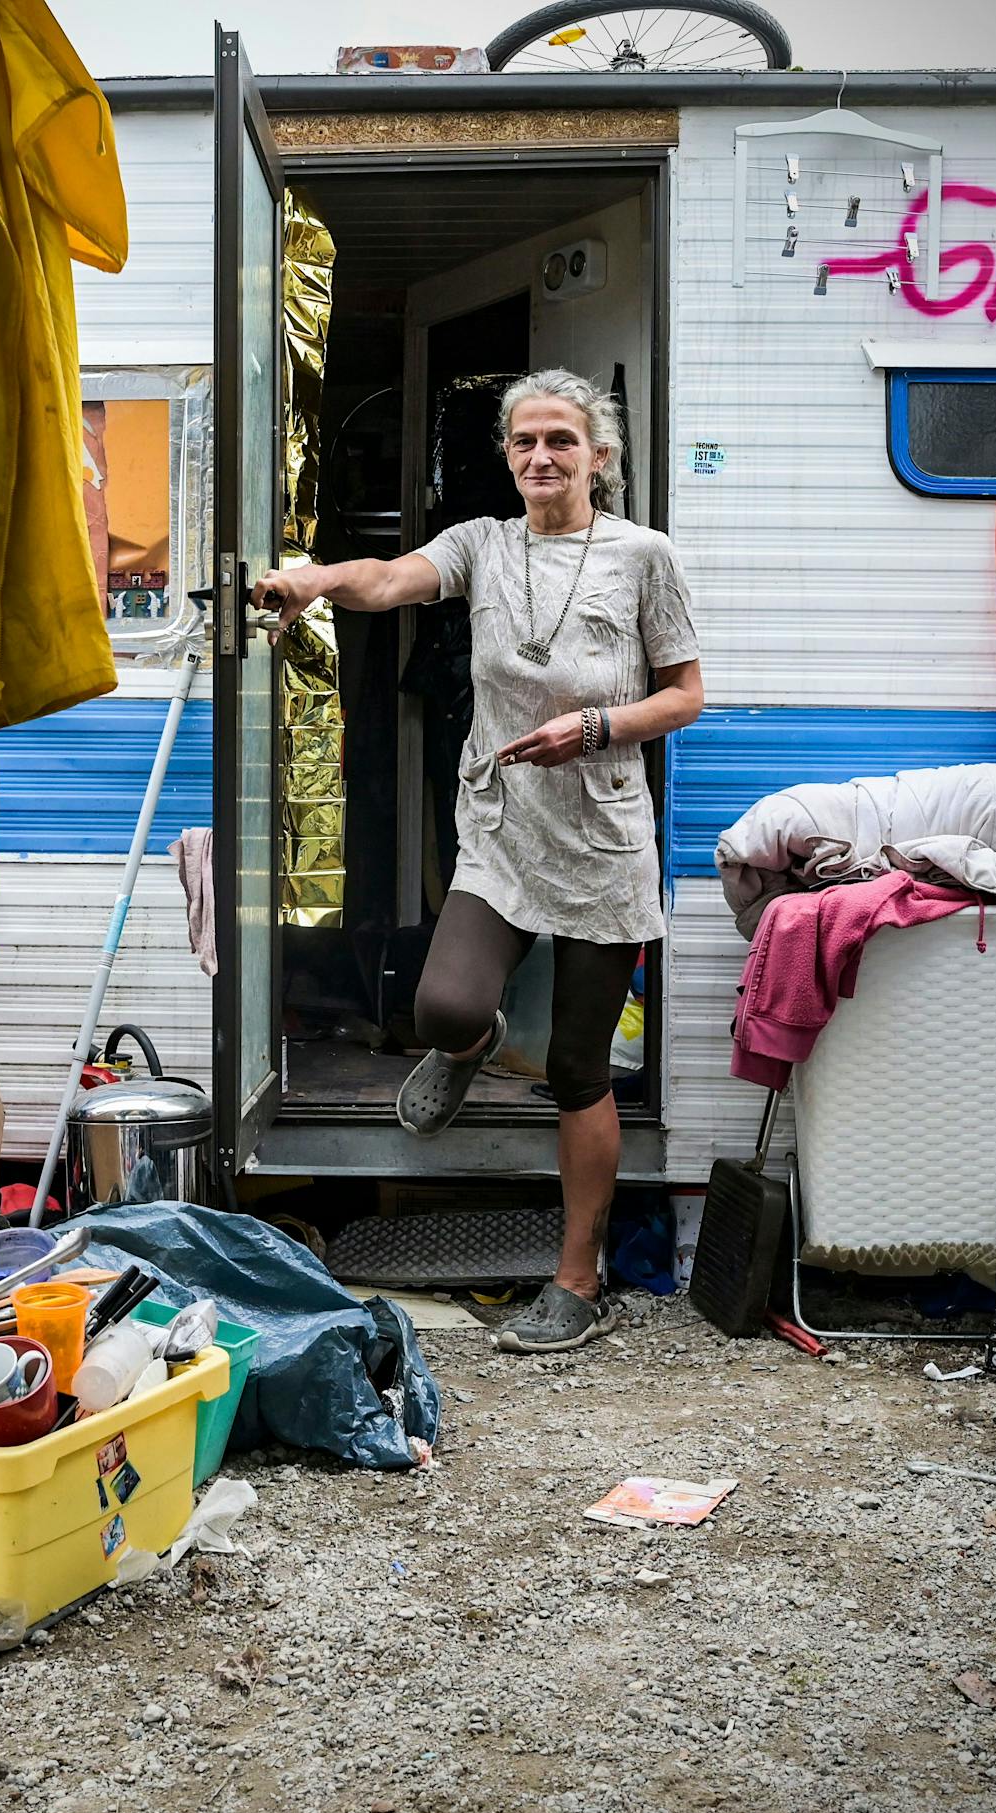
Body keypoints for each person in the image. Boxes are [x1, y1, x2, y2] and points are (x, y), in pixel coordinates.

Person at [252, 368, 704, 1354]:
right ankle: (464, 1049)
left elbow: (682, 696)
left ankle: (574, 1282)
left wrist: (591, 726)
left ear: (597, 456)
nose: (539, 458)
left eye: (559, 441)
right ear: (505, 456)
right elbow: (388, 578)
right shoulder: (481, 545)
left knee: (579, 1068)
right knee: (443, 1005)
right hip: (500, 825)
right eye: (522, 443)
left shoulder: (643, 558)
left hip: (598, 839)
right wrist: (317, 580)